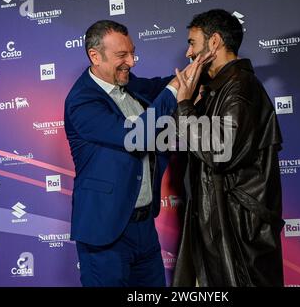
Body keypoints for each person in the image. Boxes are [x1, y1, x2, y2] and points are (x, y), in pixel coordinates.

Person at [64, 20, 208, 287]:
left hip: (143, 228)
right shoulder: (82, 101)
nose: (131, 62)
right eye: (122, 55)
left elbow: (163, 85)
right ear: (95, 56)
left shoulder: (129, 84)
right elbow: (136, 136)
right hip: (105, 232)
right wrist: (176, 90)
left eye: (132, 53)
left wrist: (203, 68)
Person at [172, 9, 285, 287]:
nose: (188, 52)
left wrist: (186, 105)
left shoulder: (240, 87)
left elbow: (220, 152)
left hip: (237, 228)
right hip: (219, 221)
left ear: (214, 43)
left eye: (192, 43)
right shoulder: (217, 88)